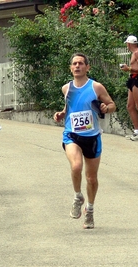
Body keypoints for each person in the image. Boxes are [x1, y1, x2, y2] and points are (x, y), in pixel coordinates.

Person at [53, 53, 116, 229]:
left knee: (91, 178)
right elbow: (70, 107)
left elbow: (112, 105)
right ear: (70, 68)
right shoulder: (66, 89)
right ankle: (77, 196)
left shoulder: (96, 87)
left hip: (92, 137)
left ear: (87, 67)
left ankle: (90, 210)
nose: (77, 66)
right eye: (74, 63)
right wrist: (61, 114)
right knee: (76, 166)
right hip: (71, 134)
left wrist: (106, 107)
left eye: (81, 63)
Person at [120, 35, 138, 141]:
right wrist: (129, 69)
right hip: (133, 78)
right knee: (130, 105)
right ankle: (137, 131)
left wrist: (129, 68)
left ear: (129, 44)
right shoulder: (134, 53)